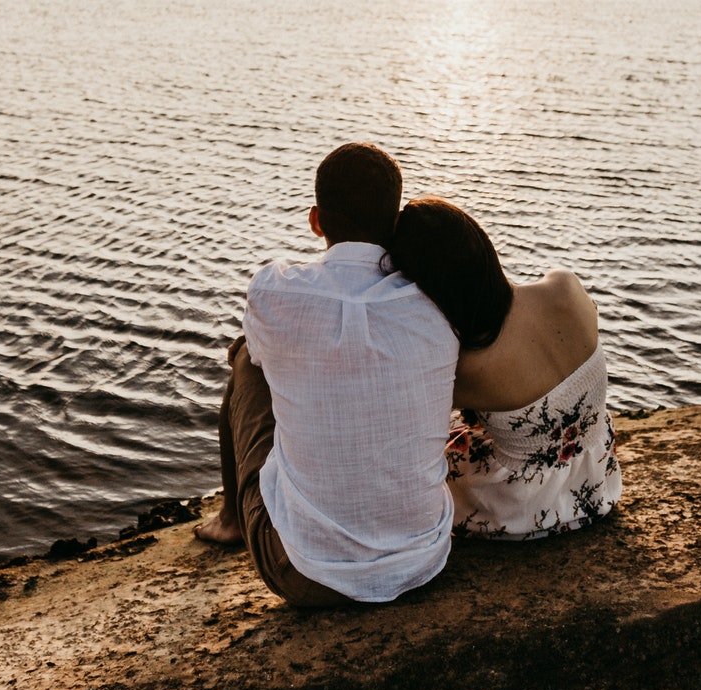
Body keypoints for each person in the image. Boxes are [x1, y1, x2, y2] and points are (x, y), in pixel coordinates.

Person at [193, 143, 460, 605]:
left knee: (244, 360)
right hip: (423, 559)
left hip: (301, 573)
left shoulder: (274, 290)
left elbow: (256, 353)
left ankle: (233, 520)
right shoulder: (435, 302)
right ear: (395, 225)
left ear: (316, 220)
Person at [386, 197, 621, 540]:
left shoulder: (467, 366)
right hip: (597, 481)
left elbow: (404, 428)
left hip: (520, 509)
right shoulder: (565, 285)